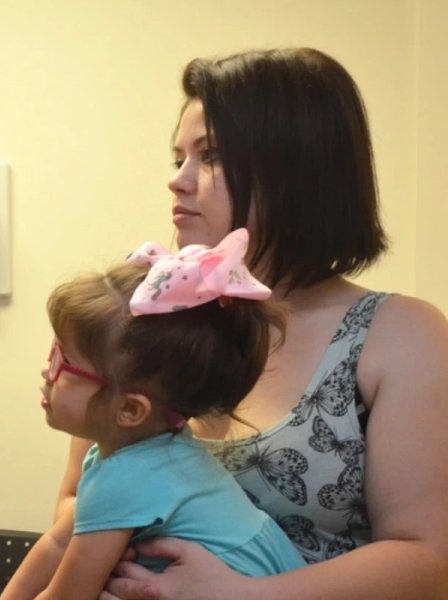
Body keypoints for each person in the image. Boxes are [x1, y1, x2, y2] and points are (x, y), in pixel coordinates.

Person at [67, 48, 448, 599]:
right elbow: (75, 500)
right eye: (177, 159)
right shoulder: (142, 314)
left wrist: (243, 595)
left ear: (299, 170)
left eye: (211, 156)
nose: (178, 180)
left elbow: (424, 557)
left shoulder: (401, 335)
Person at [0, 229, 304, 600]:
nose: (47, 372)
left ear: (129, 409)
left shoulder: (125, 479)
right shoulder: (155, 451)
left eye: (64, 362)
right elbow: (57, 544)